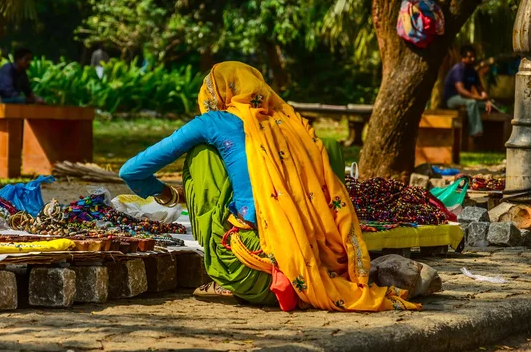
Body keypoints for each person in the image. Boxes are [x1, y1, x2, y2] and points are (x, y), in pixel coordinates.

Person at [119, 61, 420, 312]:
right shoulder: (293, 124)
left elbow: (131, 171)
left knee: (201, 158)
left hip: (253, 273)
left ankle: (221, 277)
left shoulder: (214, 122)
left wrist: (168, 194)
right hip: (322, 264)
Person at [444, 45, 492, 137]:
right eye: (470, 57)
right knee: (472, 103)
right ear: (462, 58)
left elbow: (480, 88)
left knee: (485, 106)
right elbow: (461, 90)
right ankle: (475, 132)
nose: (473, 59)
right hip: (452, 99)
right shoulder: (458, 69)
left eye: (473, 57)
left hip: (466, 99)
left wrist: (486, 100)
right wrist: (478, 97)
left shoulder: (472, 71)